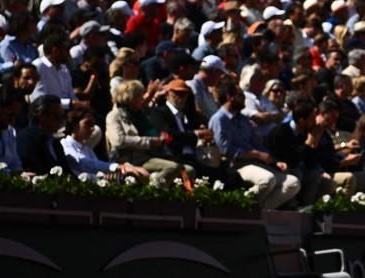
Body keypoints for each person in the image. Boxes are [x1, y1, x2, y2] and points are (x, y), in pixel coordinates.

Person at [209, 77, 301, 208]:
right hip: (235, 165)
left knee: (292, 182)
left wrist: (275, 161)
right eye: (241, 95)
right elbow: (226, 150)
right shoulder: (219, 119)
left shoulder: (244, 120)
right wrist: (256, 155)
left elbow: (257, 144)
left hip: (254, 163)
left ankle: (259, 210)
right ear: (230, 97)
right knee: (267, 180)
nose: (244, 99)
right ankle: (238, 206)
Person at [105, 79, 192, 183]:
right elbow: (118, 141)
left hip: (147, 156)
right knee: (172, 168)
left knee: (189, 170)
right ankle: (153, 191)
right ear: (131, 98)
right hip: (130, 159)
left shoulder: (139, 115)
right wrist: (149, 141)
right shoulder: (114, 116)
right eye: (139, 96)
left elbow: (152, 133)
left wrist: (160, 138)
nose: (142, 99)